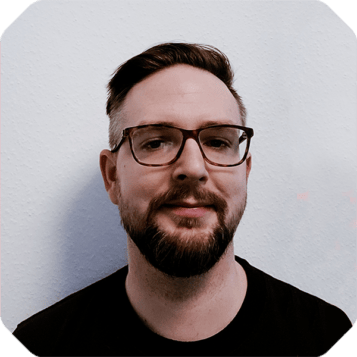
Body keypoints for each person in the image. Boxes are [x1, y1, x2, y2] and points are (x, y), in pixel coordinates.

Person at [12, 43, 353, 356]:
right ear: (113, 176)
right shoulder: (38, 345)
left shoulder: (328, 338)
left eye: (218, 142)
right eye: (156, 141)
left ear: (244, 173)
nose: (192, 168)